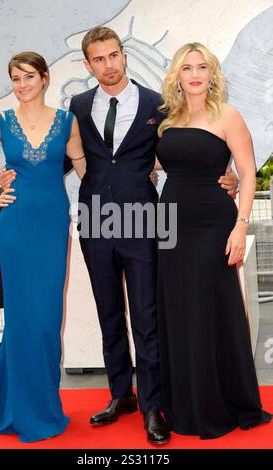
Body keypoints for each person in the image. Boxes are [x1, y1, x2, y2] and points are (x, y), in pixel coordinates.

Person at [0, 28, 238, 445]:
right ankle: (119, 395)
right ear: (88, 64)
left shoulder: (158, 104)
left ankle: (152, 406)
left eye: (113, 55)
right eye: (98, 59)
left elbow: (185, 146)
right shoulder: (77, 106)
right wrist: (23, 175)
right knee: (109, 312)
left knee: (146, 316)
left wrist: (225, 174)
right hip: (95, 217)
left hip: (145, 217)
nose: (107, 65)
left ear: (123, 56)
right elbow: (65, 159)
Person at [156, 42, 272, 439]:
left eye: (201, 67)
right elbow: (151, 165)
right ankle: (183, 404)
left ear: (212, 74)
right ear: (177, 75)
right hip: (170, 225)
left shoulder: (228, 115)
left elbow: (247, 171)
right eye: (186, 67)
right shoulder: (167, 121)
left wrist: (240, 225)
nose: (194, 74)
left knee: (210, 310)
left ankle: (219, 401)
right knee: (178, 310)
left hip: (213, 226)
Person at [0, 51, 84, 443]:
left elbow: (84, 166)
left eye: (28, 77)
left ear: (44, 77)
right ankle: (21, 408)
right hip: (16, 228)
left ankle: (41, 405)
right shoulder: (0, 122)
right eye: (15, 79)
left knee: (46, 317)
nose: (22, 85)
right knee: (22, 319)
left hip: (54, 224)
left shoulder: (67, 122)